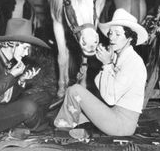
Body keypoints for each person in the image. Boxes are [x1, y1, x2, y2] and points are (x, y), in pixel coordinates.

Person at [54, 8, 148, 136]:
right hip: (113, 114)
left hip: (122, 123)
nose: (111, 38)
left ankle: (62, 133)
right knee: (77, 114)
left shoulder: (134, 63)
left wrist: (107, 65)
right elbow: (99, 84)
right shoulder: (119, 57)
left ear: (130, 37)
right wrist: (104, 64)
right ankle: (74, 130)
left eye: (117, 34)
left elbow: (109, 99)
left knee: (74, 90)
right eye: (110, 33)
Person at [0, 18, 50, 135]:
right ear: (13, 43)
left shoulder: (8, 61)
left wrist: (21, 81)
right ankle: (44, 126)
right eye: (25, 48)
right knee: (29, 107)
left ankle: (31, 120)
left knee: (43, 96)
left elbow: (7, 97)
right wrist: (11, 75)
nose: (26, 53)